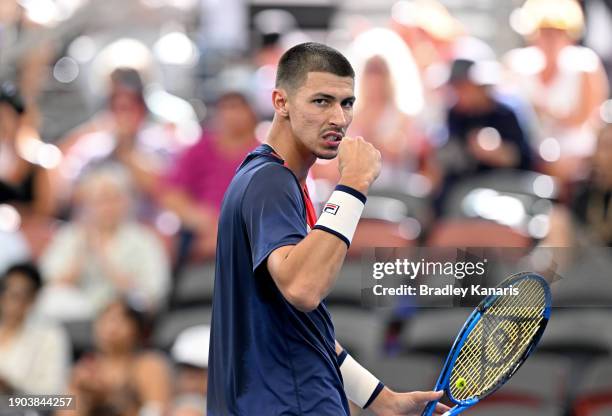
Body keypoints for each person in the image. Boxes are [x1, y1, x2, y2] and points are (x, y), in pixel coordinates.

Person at [207, 42, 449, 415]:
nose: (338, 117)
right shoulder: (271, 182)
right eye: (321, 101)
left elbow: (301, 324)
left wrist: (380, 398)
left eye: (347, 103)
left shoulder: (268, 178)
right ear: (280, 102)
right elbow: (303, 289)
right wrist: (353, 185)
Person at [38, 166, 170, 320]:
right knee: (49, 301)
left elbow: (152, 293)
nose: (107, 207)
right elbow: (49, 282)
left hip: (123, 311)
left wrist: (104, 259)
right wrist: (80, 254)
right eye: (100, 200)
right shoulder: (71, 236)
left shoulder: (144, 239)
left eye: (114, 198)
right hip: (80, 308)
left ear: (127, 201)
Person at [505, 0, 609, 182]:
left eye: (557, 32)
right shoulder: (517, 64)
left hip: (574, 150)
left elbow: (587, 118)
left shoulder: (585, 65)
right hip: (528, 145)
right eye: (544, 32)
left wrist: (547, 113)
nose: (550, 39)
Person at [161, 91, 259, 259]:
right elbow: (172, 195)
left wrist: (225, 232)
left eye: (237, 108)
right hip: (199, 233)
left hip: (247, 237)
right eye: (226, 108)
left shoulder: (262, 156)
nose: (231, 115)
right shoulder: (199, 149)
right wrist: (199, 220)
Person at [56, 297, 172, 416]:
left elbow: (156, 411)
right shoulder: (86, 369)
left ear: (136, 329)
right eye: (104, 319)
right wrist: (80, 393)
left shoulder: (148, 365)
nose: (109, 327)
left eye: (118, 320)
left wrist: (108, 399)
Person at [0, 262, 70, 394]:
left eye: (17, 295)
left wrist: (10, 391)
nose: (8, 300)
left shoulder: (50, 337)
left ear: (33, 299)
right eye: (5, 291)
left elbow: (56, 399)